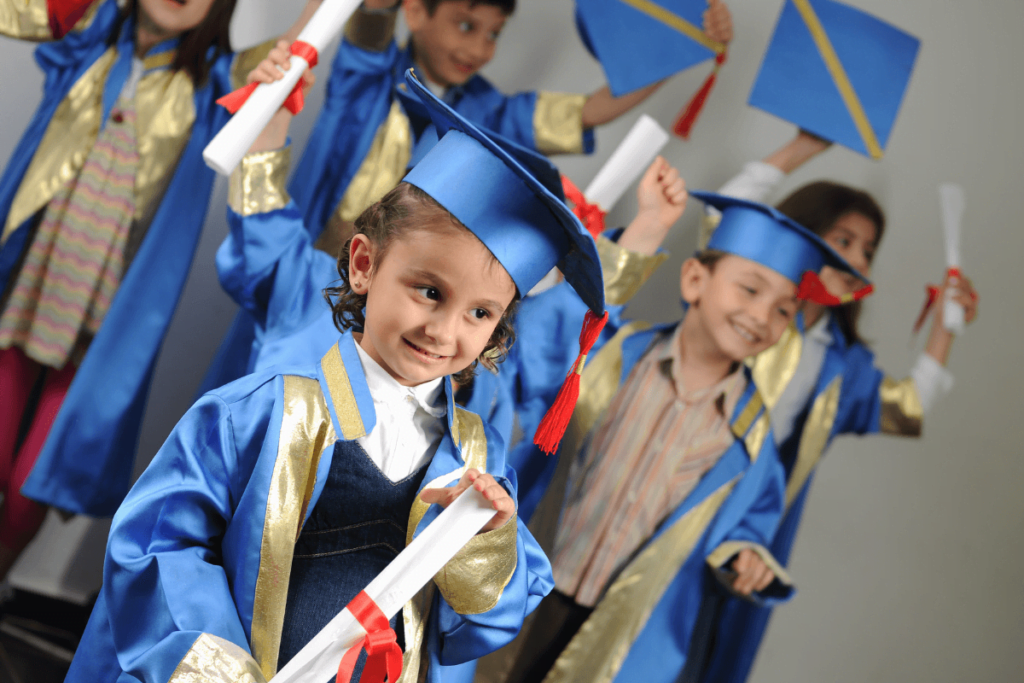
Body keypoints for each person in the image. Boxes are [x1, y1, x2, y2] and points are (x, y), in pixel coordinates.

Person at [63, 69, 609, 683]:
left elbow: (482, 621)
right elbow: (160, 544)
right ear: (363, 265)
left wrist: (484, 537)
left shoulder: (476, 456)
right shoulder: (259, 410)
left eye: (480, 313)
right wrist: (220, 669)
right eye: (429, 291)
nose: (444, 330)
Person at [198, 0, 735, 393]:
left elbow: (588, 111)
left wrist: (681, 40)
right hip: (323, 296)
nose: (478, 47)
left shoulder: (491, 114)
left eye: (492, 34)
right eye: (464, 24)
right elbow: (368, 20)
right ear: (414, 11)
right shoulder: (369, 75)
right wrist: (272, 107)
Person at [499, 190, 870, 683]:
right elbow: (553, 327)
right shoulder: (612, 358)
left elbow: (750, 523)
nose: (762, 317)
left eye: (784, 310)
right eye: (750, 290)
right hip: (526, 585)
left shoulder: (752, 442)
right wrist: (650, 225)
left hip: (625, 628)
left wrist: (746, 556)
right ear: (695, 279)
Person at [0, 0, 276, 581]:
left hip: (105, 324)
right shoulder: (88, 39)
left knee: (33, 484)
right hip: (24, 295)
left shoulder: (213, 84)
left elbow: (286, 64)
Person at [694, 130, 980, 683]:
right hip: (681, 476)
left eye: (868, 251)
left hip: (748, 518)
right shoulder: (746, 305)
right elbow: (726, 218)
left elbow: (906, 405)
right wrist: (801, 148)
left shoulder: (839, 362)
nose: (855, 259)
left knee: (704, 644)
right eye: (842, 240)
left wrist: (949, 325)